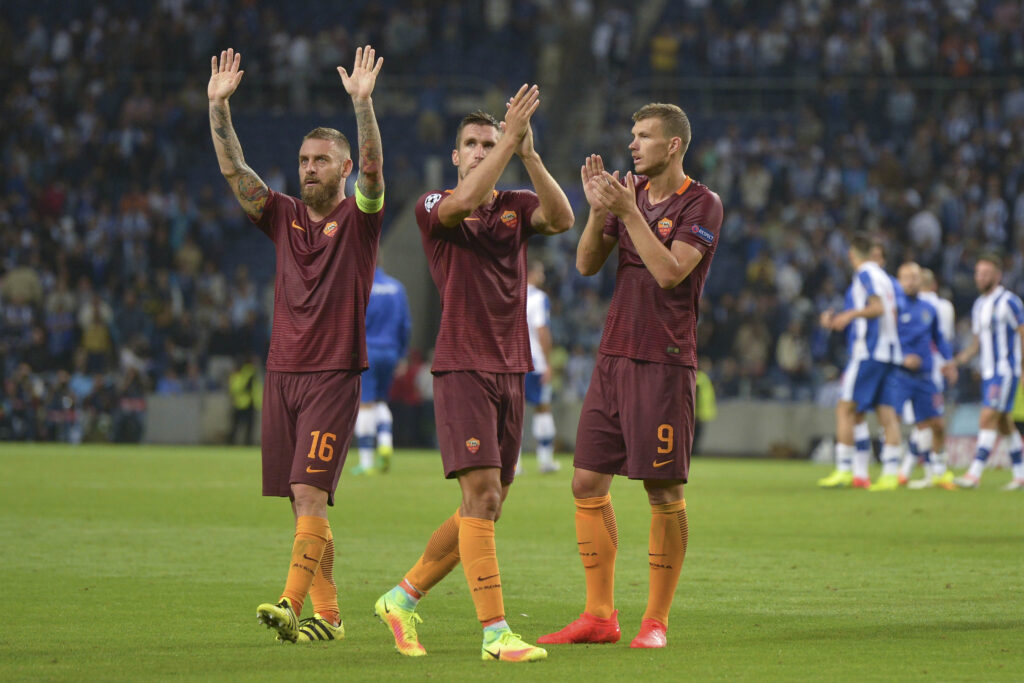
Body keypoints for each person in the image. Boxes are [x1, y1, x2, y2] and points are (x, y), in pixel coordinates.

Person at [373, 86, 574, 662]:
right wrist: (509, 142)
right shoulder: (435, 205)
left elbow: (562, 218)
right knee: (481, 496)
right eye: (473, 144)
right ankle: (495, 635)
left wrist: (530, 154)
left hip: (514, 366)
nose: (484, 150)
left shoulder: (513, 201)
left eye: (491, 141)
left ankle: (401, 598)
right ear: (456, 156)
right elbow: (463, 204)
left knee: (485, 506)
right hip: (463, 365)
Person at [209, 45, 386, 643]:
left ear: (343, 169)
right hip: (282, 370)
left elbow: (376, 171)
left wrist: (362, 106)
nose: (309, 167)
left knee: (310, 490)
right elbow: (236, 173)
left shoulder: (361, 220)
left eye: (321, 160)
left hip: (333, 373)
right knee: (301, 501)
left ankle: (290, 602)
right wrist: (219, 110)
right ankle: (330, 615)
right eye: (304, 159)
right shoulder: (281, 215)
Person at [539, 102, 723, 649]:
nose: (632, 145)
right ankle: (599, 615)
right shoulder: (631, 197)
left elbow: (670, 273)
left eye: (643, 136)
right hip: (614, 355)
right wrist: (600, 211)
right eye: (632, 135)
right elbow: (586, 264)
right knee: (586, 482)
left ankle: (656, 621)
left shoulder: (703, 203)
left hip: (663, 361)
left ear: (673, 145)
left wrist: (630, 213)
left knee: (662, 490)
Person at [817, 234, 905, 490]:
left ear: (852, 254)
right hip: (889, 352)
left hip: (868, 352)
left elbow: (876, 309)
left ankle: (845, 470)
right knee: (886, 414)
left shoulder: (865, 275)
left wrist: (849, 316)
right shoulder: (886, 278)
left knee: (845, 409)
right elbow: (891, 312)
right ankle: (888, 474)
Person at [952, 254, 1024, 490]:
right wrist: (958, 360)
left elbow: (1023, 333)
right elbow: (976, 344)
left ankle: (974, 474)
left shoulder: (1009, 301)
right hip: (988, 371)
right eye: (978, 273)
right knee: (1004, 423)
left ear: (997, 276)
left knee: (987, 417)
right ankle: (1021, 474)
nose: (980, 277)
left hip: (1005, 371)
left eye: (986, 273)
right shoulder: (979, 305)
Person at [887, 263, 957, 491]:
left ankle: (938, 473)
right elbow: (884, 340)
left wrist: (948, 362)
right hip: (899, 374)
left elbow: (939, 339)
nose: (911, 282)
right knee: (891, 421)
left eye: (915, 277)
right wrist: (903, 357)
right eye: (907, 278)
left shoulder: (929, 308)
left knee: (937, 424)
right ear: (899, 281)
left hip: (925, 376)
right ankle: (890, 472)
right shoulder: (893, 308)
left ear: (922, 281)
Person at [352, 265, 411, 475]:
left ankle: (366, 461)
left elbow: (353, 321)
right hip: (391, 351)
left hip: (368, 349)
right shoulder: (397, 287)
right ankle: (386, 443)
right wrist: (402, 354)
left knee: (364, 403)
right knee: (381, 400)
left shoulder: (362, 287)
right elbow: (405, 324)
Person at [907, 268, 958, 488]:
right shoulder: (945, 307)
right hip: (937, 368)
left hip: (914, 369)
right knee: (931, 420)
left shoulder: (912, 305)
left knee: (924, 422)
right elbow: (946, 337)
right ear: (935, 285)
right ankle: (929, 469)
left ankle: (922, 470)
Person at [522, 258, 559, 473]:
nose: (543, 277)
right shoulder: (538, 297)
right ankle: (545, 460)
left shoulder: (510, 294)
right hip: (535, 361)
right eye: (541, 272)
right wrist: (548, 362)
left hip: (512, 361)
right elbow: (542, 330)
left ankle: (513, 463)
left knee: (513, 412)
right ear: (533, 273)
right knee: (542, 408)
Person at [228, 355, 262, 446]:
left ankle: (232, 443)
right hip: (246, 403)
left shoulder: (241, 373)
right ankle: (246, 443)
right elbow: (248, 387)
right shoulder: (249, 372)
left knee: (237, 426)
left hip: (243, 402)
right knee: (246, 426)